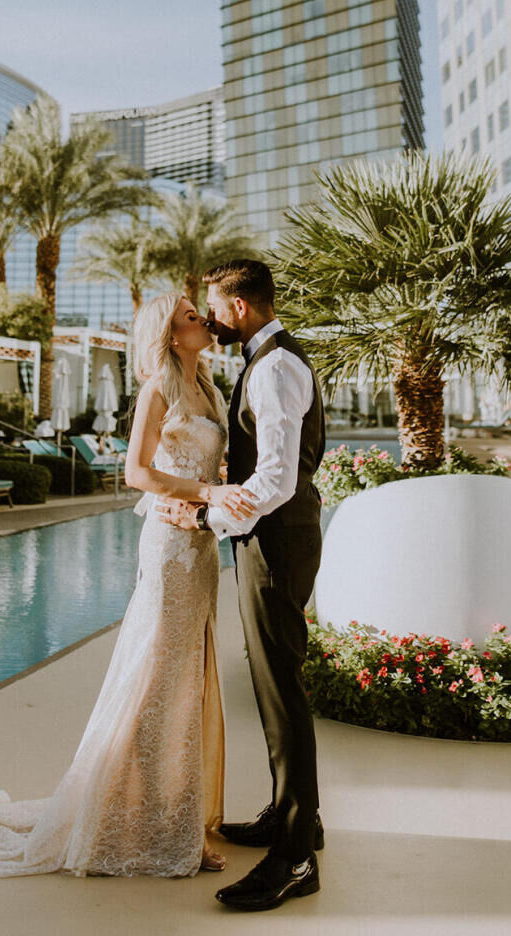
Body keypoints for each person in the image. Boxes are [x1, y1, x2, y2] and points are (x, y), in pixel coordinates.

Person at [0, 293, 254, 880]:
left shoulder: (213, 392)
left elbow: (203, 467)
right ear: (171, 335)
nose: (203, 320)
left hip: (200, 547)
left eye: (200, 312)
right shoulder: (159, 389)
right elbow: (136, 473)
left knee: (189, 680)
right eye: (190, 317)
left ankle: (177, 821)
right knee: (158, 678)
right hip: (172, 547)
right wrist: (207, 494)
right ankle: (136, 826)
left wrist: (220, 488)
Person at [157, 259, 326, 912]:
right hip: (273, 537)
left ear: (240, 306)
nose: (212, 318)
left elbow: (278, 480)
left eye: (215, 307)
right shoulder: (267, 360)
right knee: (274, 677)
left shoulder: (276, 366)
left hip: (277, 540)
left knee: (280, 686)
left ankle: (294, 858)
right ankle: (296, 818)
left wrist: (204, 514)